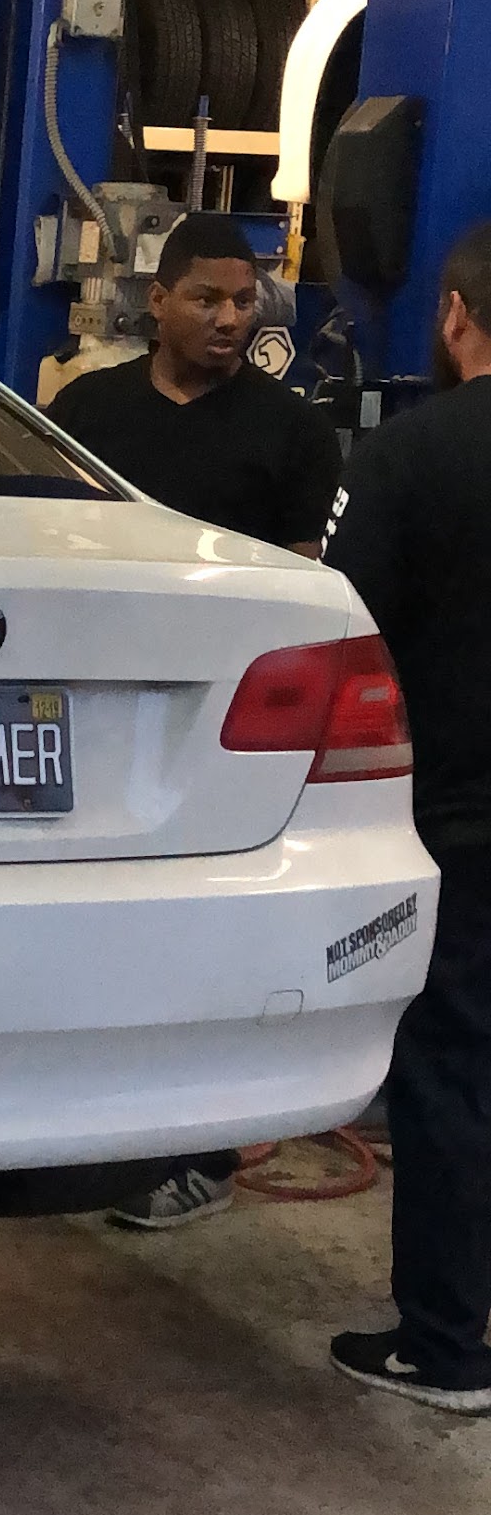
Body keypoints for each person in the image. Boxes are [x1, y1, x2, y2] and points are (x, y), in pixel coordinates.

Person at [48, 212, 344, 1230]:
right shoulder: (86, 412)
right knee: (85, 925)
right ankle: (71, 1129)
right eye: (208, 298)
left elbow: (301, 587)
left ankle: (201, 1154)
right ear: (157, 300)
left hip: (220, 723)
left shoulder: (291, 432)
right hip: (89, 708)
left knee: (206, 935)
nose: (229, 318)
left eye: (244, 301)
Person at [321, 223, 491, 1413]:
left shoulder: (410, 456)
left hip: (458, 818)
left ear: (451, 314)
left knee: (449, 1069)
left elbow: (340, 620)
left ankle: (442, 1343)